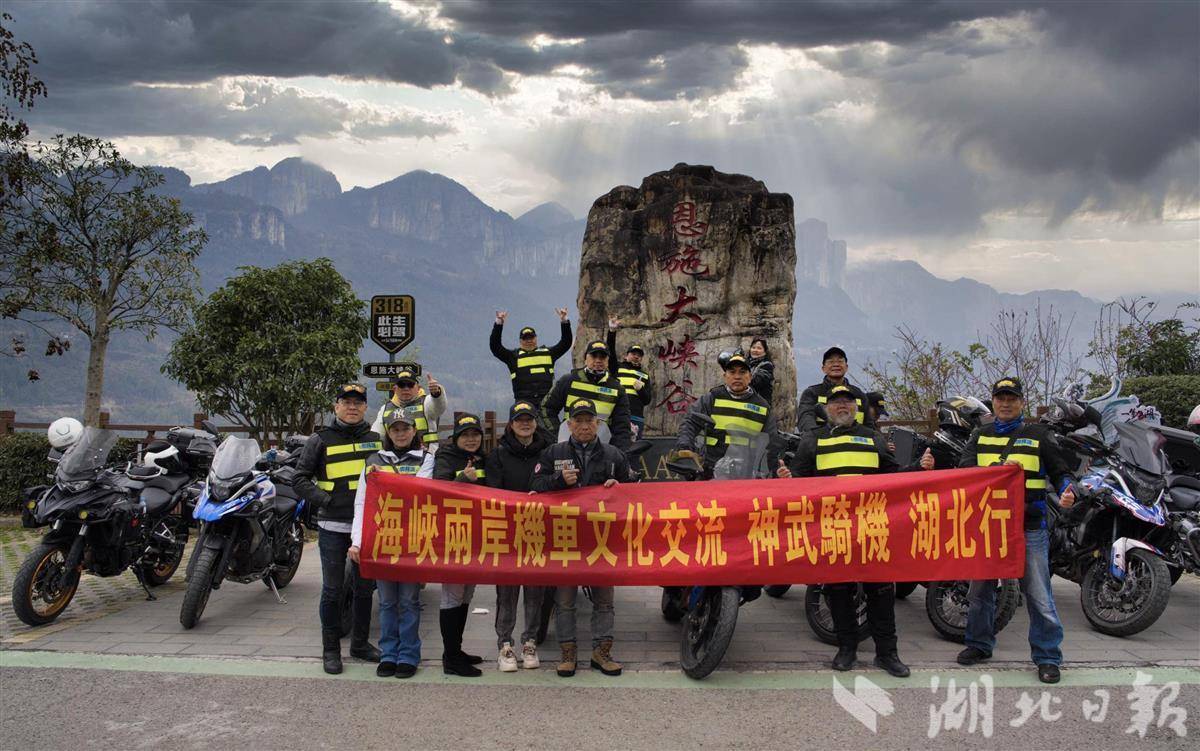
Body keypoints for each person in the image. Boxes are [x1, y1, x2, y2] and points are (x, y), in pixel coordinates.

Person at [777, 385, 934, 678]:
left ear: (856, 407)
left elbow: (892, 477)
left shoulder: (873, 438)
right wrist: (787, 477)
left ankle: (887, 653)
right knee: (839, 591)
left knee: (881, 591)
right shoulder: (814, 440)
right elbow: (799, 480)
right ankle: (846, 648)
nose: (842, 406)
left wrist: (918, 468)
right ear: (826, 409)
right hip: (833, 527)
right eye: (836, 402)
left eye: (847, 401)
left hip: (871, 526)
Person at [956, 377, 1076, 685]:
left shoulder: (1039, 435)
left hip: (1029, 527)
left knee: (1038, 594)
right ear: (993, 402)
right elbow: (965, 474)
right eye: (1000, 398)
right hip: (988, 528)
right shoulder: (979, 436)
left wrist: (1067, 491)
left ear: (1022, 402)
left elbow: (1061, 472)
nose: (1006, 403)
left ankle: (1048, 657)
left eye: (1012, 398)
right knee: (980, 592)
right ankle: (979, 645)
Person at [530, 399, 634, 678]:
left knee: (604, 600)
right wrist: (558, 481)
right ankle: (568, 652)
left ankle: (602, 652)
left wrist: (618, 487)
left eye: (590, 421)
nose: (585, 426)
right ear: (570, 424)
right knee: (564, 600)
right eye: (579, 421)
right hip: (566, 539)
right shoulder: (553, 453)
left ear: (598, 425)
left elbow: (634, 492)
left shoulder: (614, 455)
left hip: (602, 539)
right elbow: (536, 486)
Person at [293, 383, 382, 674]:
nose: (352, 407)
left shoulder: (377, 440)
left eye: (358, 402)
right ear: (336, 406)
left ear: (366, 407)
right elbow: (300, 479)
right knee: (332, 589)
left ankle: (359, 644)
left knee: (364, 588)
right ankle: (330, 650)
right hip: (333, 524)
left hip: (367, 527)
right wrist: (325, 500)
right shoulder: (319, 440)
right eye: (347, 402)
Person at [349, 407, 434, 679]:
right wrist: (357, 542)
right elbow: (362, 501)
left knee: (409, 600)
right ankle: (388, 653)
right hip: (380, 541)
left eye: (405, 429)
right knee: (386, 602)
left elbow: (420, 492)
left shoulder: (427, 459)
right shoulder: (373, 460)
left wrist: (384, 480)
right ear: (388, 432)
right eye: (395, 429)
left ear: (413, 431)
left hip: (412, 539)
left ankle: (409, 655)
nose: (400, 434)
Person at [484, 400, 552, 672]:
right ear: (511, 424)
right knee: (507, 593)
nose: (525, 423)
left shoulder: (548, 452)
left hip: (538, 531)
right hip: (507, 532)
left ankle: (530, 641)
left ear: (536, 422)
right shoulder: (498, 455)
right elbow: (492, 492)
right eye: (519, 419)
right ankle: (505, 644)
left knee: (535, 591)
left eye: (530, 419)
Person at [432, 412, 489, 678]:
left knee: (467, 594)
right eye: (465, 435)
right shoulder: (444, 458)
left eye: (475, 435)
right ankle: (450, 657)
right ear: (456, 438)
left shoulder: (484, 459)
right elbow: (439, 490)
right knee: (452, 595)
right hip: (452, 534)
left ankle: (456, 650)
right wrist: (462, 481)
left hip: (477, 535)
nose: (471, 440)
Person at [673, 350, 780, 480]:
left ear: (750, 377)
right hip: (711, 471)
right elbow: (690, 422)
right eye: (732, 372)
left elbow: (772, 444)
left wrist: (774, 473)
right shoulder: (712, 398)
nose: (737, 376)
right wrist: (685, 447)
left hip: (748, 475)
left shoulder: (763, 407)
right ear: (725, 376)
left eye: (742, 372)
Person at [540, 338, 633, 450]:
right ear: (585, 359)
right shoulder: (568, 381)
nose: (598, 360)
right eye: (594, 356)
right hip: (568, 445)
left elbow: (622, 426)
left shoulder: (618, 389)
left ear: (608, 360)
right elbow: (546, 408)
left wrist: (619, 453)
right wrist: (556, 435)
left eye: (602, 357)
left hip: (600, 448)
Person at [490, 308, 573, 406]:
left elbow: (566, 342)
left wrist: (564, 320)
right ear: (520, 340)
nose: (529, 340)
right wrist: (499, 323)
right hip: (523, 404)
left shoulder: (548, 353)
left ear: (536, 338)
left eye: (531, 337)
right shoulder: (513, 357)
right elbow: (495, 346)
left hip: (546, 404)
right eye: (525, 338)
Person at [797, 346, 873, 433]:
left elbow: (869, 425)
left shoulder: (859, 394)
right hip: (823, 443)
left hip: (856, 444)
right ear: (823, 368)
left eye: (840, 361)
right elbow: (806, 421)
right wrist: (817, 437)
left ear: (846, 367)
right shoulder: (812, 393)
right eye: (831, 362)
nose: (836, 365)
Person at [371, 369, 447, 451]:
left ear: (418, 388)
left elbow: (439, 407)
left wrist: (436, 393)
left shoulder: (426, 402)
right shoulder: (385, 409)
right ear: (394, 389)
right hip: (395, 459)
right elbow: (377, 435)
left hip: (427, 457)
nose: (406, 388)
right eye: (401, 385)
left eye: (410, 385)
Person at [606, 317, 653, 441]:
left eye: (639, 355)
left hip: (636, 417)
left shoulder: (644, 375)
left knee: (633, 449)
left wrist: (641, 389)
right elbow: (609, 351)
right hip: (617, 415)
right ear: (627, 355)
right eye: (633, 354)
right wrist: (612, 331)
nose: (636, 357)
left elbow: (647, 400)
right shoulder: (617, 368)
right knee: (615, 446)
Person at [747, 338, 775, 403]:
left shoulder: (767, 366)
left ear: (765, 352)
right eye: (753, 347)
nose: (755, 350)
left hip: (760, 403)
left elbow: (756, 382)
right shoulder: (747, 364)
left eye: (759, 348)